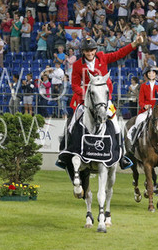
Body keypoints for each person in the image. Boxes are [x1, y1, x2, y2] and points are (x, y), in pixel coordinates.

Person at [59, 33, 144, 169]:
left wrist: (134, 44)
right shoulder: (76, 65)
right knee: (72, 123)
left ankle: (121, 156)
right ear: (83, 52)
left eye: (92, 50)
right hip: (86, 101)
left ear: (95, 50)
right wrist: (84, 94)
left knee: (116, 125)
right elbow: (74, 84)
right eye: (87, 51)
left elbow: (119, 54)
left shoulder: (102, 57)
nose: (90, 53)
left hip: (104, 101)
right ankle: (65, 152)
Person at [126, 65, 158, 153]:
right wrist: (145, 106)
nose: (151, 74)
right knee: (138, 123)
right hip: (145, 112)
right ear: (147, 74)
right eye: (149, 73)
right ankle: (134, 144)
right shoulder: (143, 86)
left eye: (153, 73)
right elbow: (141, 101)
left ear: (155, 74)